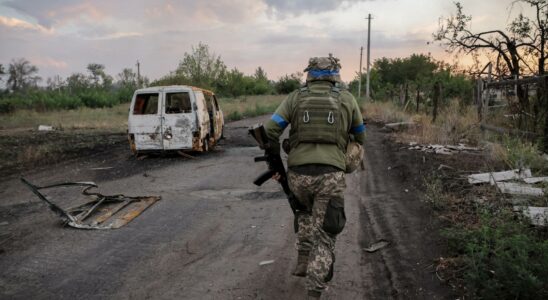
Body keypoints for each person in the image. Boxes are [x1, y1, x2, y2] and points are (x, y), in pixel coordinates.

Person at [264, 54, 366, 299]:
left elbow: (269, 130)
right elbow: (360, 137)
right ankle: (314, 292)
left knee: (304, 213)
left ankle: (302, 260)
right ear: (335, 76)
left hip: (298, 175)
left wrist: (277, 162)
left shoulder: (294, 98)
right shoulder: (347, 99)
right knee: (326, 236)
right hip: (329, 177)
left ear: (309, 75)